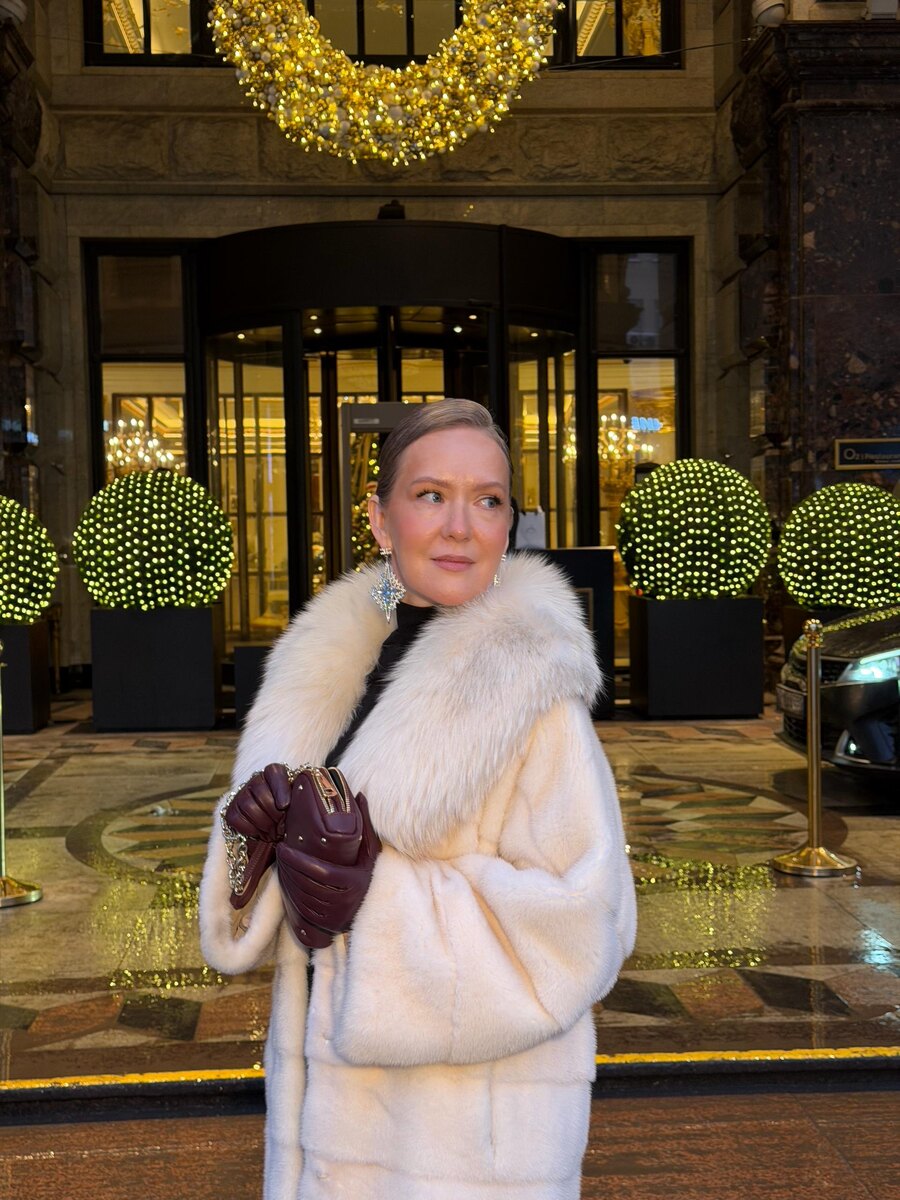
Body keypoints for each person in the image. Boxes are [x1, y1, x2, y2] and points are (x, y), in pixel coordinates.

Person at [199, 398, 636, 1200]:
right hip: (331, 1121)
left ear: (509, 523)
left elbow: (587, 924)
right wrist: (250, 855)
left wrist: (374, 895)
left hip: (471, 1144)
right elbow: (267, 905)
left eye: (488, 500)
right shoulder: (320, 673)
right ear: (379, 518)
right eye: (431, 495)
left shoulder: (535, 690)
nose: (461, 526)